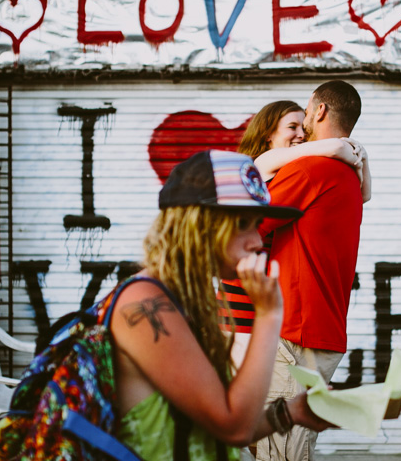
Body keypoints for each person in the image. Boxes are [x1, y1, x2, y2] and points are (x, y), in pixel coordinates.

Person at [110, 150, 334, 460]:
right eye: (243, 223)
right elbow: (234, 428)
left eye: (257, 224)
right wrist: (269, 315)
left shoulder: (183, 300)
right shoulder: (146, 304)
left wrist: (292, 412)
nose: (257, 240)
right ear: (199, 225)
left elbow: (214, 424)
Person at [254, 80, 367, 461]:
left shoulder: (312, 169)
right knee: (291, 443)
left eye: (305, 114)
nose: (301, 130)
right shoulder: (351, 175)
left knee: (281, 450)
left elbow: (248, 224)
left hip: (296, 333)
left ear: (319, 111)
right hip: (322, 329)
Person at [218, 100, 371, 368]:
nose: (301, 134)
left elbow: (364, 195)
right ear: (268, 134)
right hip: (240, 307)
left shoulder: (288, 172)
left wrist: (359, 159)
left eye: (303, 126)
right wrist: (347, 148)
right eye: (292, 127)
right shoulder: (259, 167)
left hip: (264, 309)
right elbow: (331, 147)